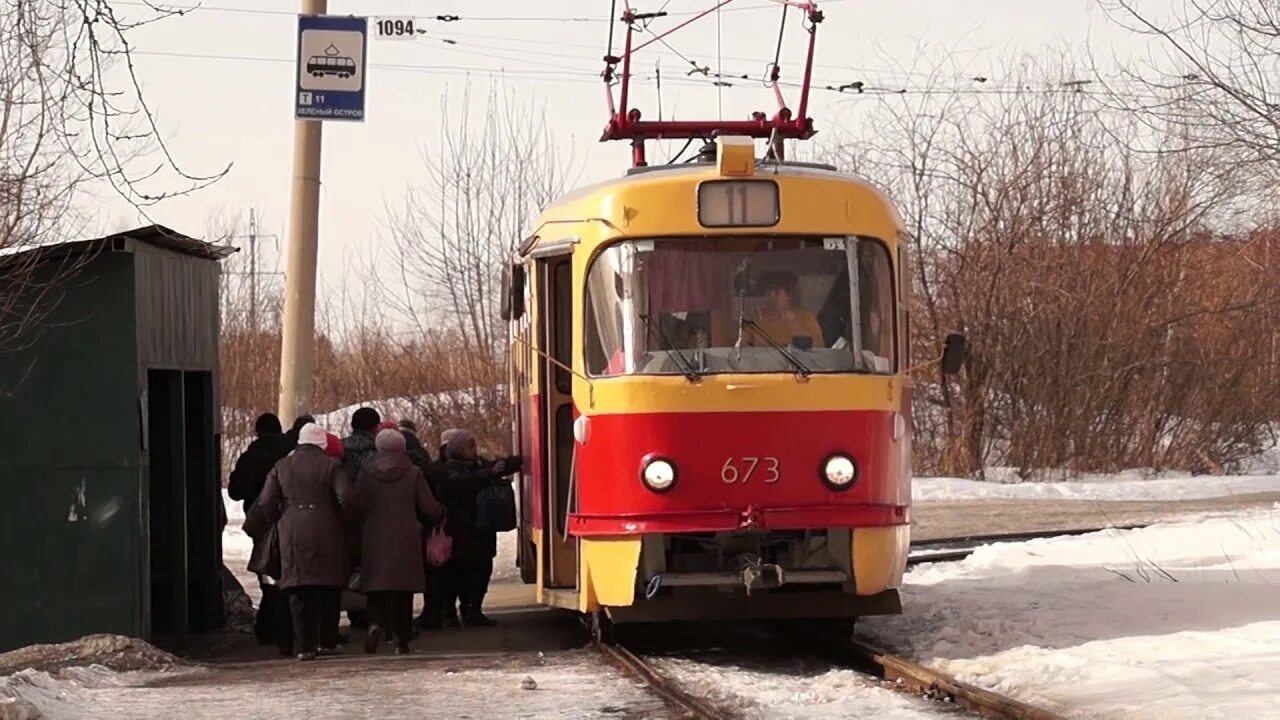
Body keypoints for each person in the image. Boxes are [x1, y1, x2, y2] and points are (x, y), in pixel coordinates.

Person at [244, 423, 354, 661]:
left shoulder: (281, 466)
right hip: (328, 528)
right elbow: (346, 498)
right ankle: (327, 640)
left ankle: (304, 645)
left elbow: (265, 501)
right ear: (322, 443)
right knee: (329, 584)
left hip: (291, 528)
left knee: (297, 585)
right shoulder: (333, 465)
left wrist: (279, 520)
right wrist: (341, 521)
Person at [354, 429, 445, 654]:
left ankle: (375, 623)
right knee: (402, 588)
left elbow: (356, 504)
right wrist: (439, 513)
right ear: (402, 447)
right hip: (406, 533)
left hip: (374, 533)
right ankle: (400, 639)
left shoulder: (366, 471)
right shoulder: (413, 472)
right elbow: (428, 507)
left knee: (375, 585)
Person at [436, 429, 521, 627]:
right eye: (469, 445)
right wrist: (489, 474)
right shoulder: (447, 470)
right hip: (459, 532)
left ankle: (473, 610)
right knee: (456, 574)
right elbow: (461, 483)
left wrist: (508, 464)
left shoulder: (480, 464)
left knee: (481, 572)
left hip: (481, 530)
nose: (474, 449)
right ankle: (451, 611)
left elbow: (501, 466)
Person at [226, 412, 296, 649]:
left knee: (268, 572)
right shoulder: (292, 451)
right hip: (294, 520)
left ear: (258, 431)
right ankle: (287, 625)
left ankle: (270, 627)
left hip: (263, 524)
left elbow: (235, 491)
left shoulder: (252, 455)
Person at [746, 270, 825, 349]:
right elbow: (741, 348)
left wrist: (792, 322)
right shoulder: (757, 317)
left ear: (789, 295)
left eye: (777, 293)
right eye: (768, 293)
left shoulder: (806, 317)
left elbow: (819, 346)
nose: (772, 297)